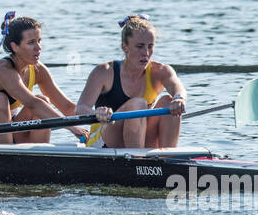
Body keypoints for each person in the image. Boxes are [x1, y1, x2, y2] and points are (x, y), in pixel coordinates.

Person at [0, 11, 88, 144]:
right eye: (31, 43)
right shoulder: (2, 70)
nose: (38, 47)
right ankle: (6, 155)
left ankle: (41, 154)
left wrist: (99, 119)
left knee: (43, 101)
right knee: (0, 99)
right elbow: (33, 103)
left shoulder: (37, 69)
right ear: (15, 47)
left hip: (7, 131)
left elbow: (67, 107)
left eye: (39, 41)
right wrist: (73, 128)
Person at [75, 14, 187, 149]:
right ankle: (136, 162)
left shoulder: (160, 71)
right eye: (140, 46)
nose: (146, 53)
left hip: (138, 136)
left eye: (150, 46)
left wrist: (179, 99)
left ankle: (168, 159)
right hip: (104, 140)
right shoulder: (104, 72)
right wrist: (97, 113)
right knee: (137, 104)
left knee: (169, 101)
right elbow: (80, 109)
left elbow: (178, 88)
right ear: (125, 47)